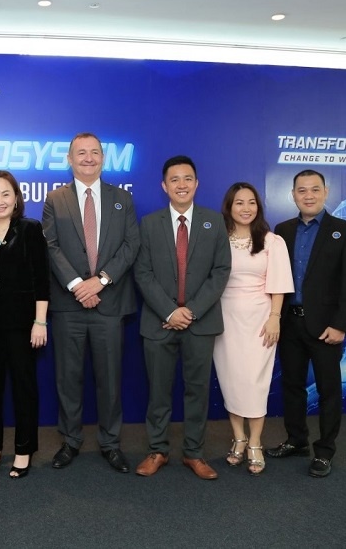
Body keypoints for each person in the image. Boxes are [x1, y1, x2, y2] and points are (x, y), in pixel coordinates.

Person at [41, 132, 139, 473]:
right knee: (68, 379)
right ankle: (70, 441)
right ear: (70, 159)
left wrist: (101, 280)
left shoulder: (121, 199)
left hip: (109, 304)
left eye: (94, 152)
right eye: (80, 153)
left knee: (109, 379)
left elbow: (131, 245)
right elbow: (50, 246)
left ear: (103, 158)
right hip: (68, 306)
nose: (88, 158)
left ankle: (111, 443)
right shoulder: (55, 199)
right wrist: (77, 285)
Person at [133, 155, 230, 480]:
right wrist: (170, 311)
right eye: (174, 179)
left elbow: (221, 271)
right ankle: (157, 450)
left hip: (200, 323)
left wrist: (191, 311)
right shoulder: (149, 224)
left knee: (197, 392)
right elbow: (142, 272)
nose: (182, 185)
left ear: (196, 183)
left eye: (187, 178)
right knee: (158, 391)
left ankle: (194, 453)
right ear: (164, 186)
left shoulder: (214, 221)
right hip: (158, 322)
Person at [267, 169, 346, 478]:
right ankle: (297, 440)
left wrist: (341, 324)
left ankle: (324, 451)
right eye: (302, 190)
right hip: (290, 324)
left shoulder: (345, 230)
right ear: (293, 194)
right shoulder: (282, 230)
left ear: (325, 192)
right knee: (292, 386)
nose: (308, 195)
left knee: (328, 390)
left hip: (326, 327)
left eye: (314, 189)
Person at [0, 171, 49, 479]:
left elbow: (41, 279)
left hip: (22, 324)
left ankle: (23, 450)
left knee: (23, 388)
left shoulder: (30, 229)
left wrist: (40, 321)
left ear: (16, 198)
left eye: (6, 194)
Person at [213, 182, 293, 476]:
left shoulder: (272, 241)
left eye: (251, 202)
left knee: (255, 382)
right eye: (239, 203)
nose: (246, 208)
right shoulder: (217, 238)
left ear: (258, 207)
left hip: (261, 318)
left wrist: (275, 317)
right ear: (229, 207)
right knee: (231, 380)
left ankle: (255, 442)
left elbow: (279, 283)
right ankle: (239, 438)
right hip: (224, 318)